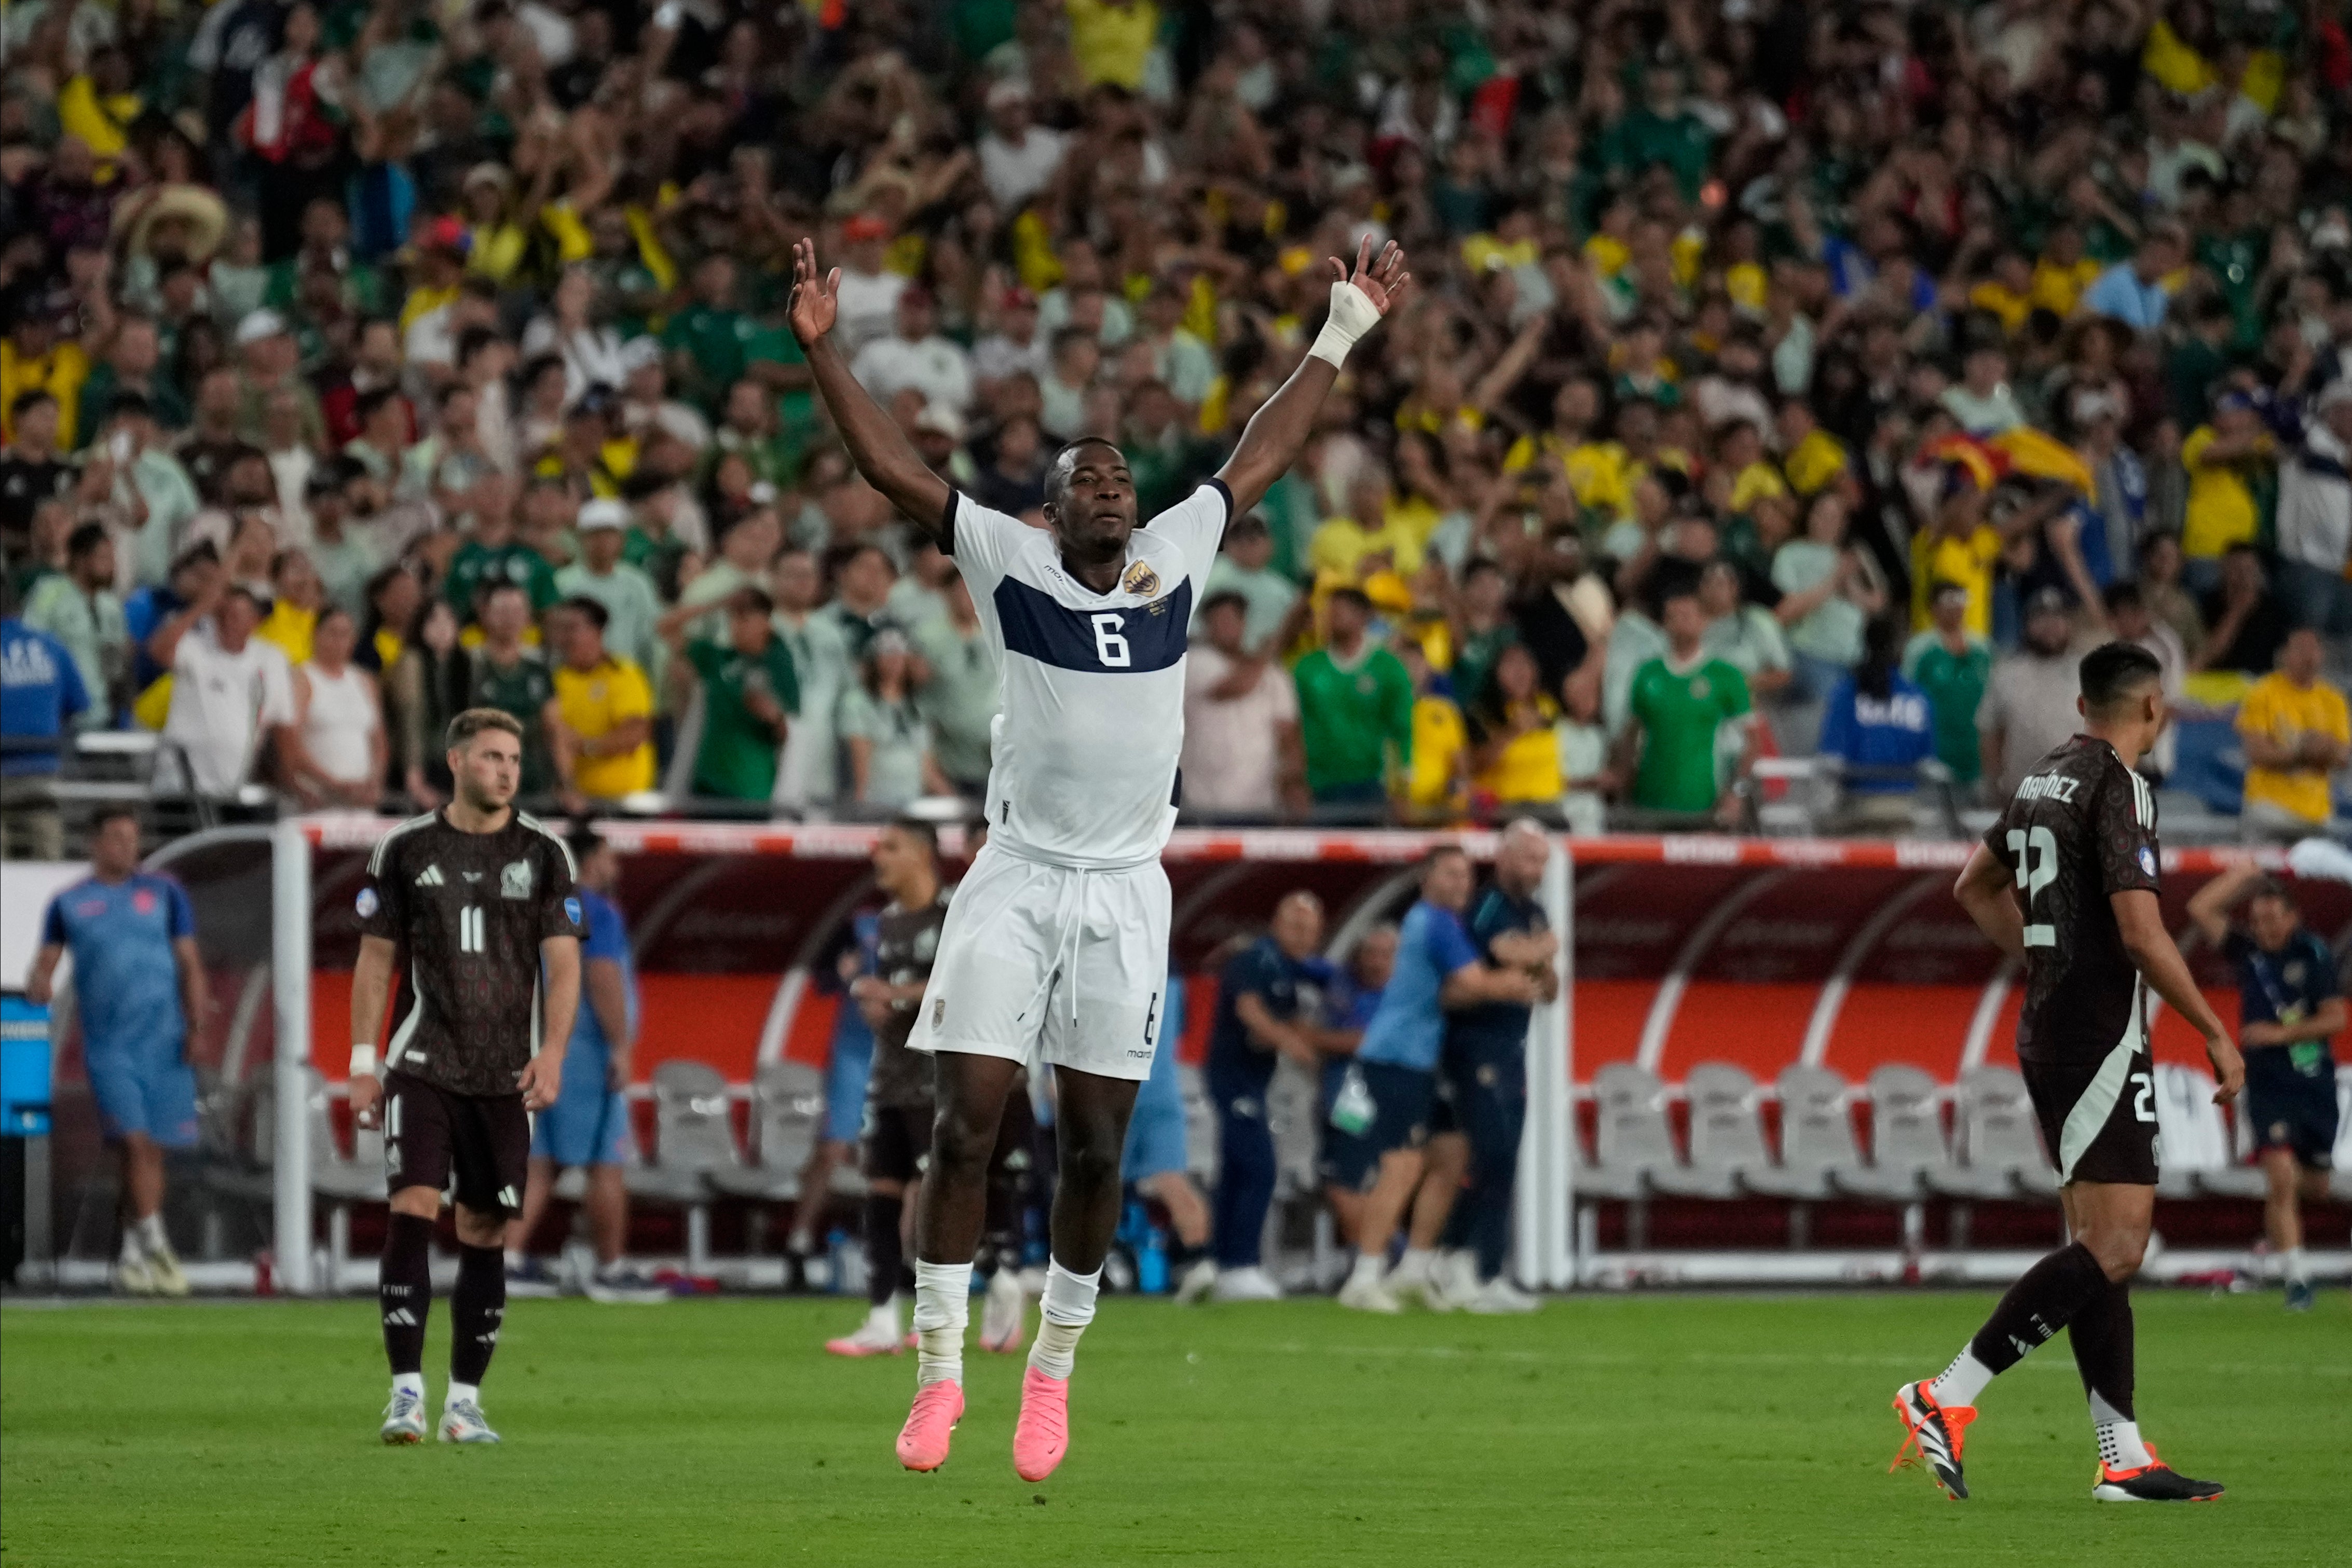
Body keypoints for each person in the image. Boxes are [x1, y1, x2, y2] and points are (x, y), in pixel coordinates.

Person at [788, 230, 1408, 1479]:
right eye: (1089, 478)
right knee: (964, 1122)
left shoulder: (1175, 556)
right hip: (1016, 875)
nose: (1112, 489)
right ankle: (940, 1370)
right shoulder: (1007, 560)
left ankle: (1052, 1373)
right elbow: (891, 466)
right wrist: (823, 349)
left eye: (1122, 476)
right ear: (1052, 504)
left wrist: (1342, 329)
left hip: (1126, 891)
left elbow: (1262, 453)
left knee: (1093, 1146)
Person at [1899, 643, 2241, 1505]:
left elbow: (1973, 887)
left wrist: (2043, 955)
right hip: (2099, 1035)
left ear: (2082, 704)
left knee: (2099, 1245)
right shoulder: (2120, 786)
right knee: (2118, 1243)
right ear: (2153, 708)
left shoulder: (2042, 777)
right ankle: (1945, 1393)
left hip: (2051, 1025)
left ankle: (2121, 1455)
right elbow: (2141, 933)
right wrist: (2213, 1030)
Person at [347, 708, 585, 1445]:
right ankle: (405, 1394)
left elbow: (564, 963)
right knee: (413, 1206)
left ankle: (465, 1402)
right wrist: (361, 1062)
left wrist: (553, 1052)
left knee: (484, 1228)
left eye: (514, 758)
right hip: (422, 1061)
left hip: (505, 1073)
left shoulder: (545, 851)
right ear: (455, 761)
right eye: (491, 757)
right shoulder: (404, 847)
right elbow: (376, 961)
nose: (507, 770)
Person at [1334, 846, 1538, 1314]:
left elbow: (1462, 988)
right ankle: (1363, 1278)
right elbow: (1474, 982)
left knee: (1452, 1155)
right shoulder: (1436, 922)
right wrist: (1521, 979)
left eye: (1465, 875)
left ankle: (1414, 1270)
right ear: (1426, 880)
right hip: (1394, 1060)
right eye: (1449, 874)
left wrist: (1514, 972)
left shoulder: (1444, 923)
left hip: (1422, 1061)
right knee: (1402, 1166)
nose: (1460, 883)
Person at [25, 807, 209, 1295]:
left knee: (151, 1152)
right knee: (134, 1143)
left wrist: (196, 1026)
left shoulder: (165, 893)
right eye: (117, 839)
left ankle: (131, 1254)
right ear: (96, 843)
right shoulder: (69, 903)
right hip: (109, 1046)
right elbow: (45, 962)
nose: (128, 848)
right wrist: (39, 982)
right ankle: (158, 1247)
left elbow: (189, 963)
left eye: (133, 838)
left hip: (165, 1041)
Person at [504, 828, 664, 1306]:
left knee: (542, 1162)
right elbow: (603, 977)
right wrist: (620, 1047)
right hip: (586, 1052)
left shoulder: (541, 906)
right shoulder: (597, 911)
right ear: (590, 860)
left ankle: (504, 1262)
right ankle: (610, 1269)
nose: (616, 869)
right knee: (606, 1161)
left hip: (544, 1046)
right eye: (610, 858)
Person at [2185, 864, 2344, 1312]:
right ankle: (2297, 1279)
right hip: (2268, 1085)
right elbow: (2201, 908)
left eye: (2272, 918)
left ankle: (2275, 1235)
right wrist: (2244, 876)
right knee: (2280, 1174)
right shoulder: (2249, 952)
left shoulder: (2314, 953)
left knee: (2315, 1185)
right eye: (2257, 920)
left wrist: (2279, 1034)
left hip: (2313, 1083)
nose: (2264, 928)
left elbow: (2335, 1018)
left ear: (2292, 917)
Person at [828, 821, 955, 1357]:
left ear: (922, 855)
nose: (877, 855)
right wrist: (874, 1002)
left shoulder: (955, 913)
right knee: (881, 1194)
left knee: (936, 1201)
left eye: (891, 846)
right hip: (892, 1079)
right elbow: (888, 994)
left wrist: (895, 995)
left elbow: (962, 983)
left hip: (943, 1082)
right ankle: (881, 1318)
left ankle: (942, 1313)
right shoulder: (885, 923)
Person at [1431, 822, 1556, 1313]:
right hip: (1474, 1045)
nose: (1536, 870)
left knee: (1504, 1160)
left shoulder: (1535, 912)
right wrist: (1539, 952)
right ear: (1503, 857)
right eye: (1528, 858)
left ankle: (1484, 1268)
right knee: (1488, 1153)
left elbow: (1549, 986)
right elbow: (1510, 953)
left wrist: (1537, 960)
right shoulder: (1487, 905)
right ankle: (1458, 1259)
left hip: (1512, 1048)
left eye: (1542, 861)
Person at [1199, 892, 1330, 1302]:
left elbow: (1291, 1019)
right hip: (1234, 1078)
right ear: (1277, 923)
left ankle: (1220, 1264)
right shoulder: (1257, 960)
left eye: (1310, 930)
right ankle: (1241, 1264)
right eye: (1295, 925)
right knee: (1259, 1167)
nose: (1302, 935)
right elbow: (1250, 1010)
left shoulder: (1291, 970)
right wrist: (1292, 1045)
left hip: (1255, 1081)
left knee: (1236, 1170)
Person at [1609, 585, 1754, 826]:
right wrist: (1624, 778)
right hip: (1649, 798)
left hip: (1703, 799)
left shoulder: (1725, 676)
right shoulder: (1648, 673)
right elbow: (1632, 732)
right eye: (1673, 616)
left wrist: (1736, 792)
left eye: (1688, 615)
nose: (1680, 622)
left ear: (1704, 621)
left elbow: (1752, 742)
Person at [1120, 970, 1215, 1304]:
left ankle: (1087, 1266)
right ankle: (1199, 1260)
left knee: (1096, 1182)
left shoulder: (1121, 973)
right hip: (1164, 1089)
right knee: (1173, 1180)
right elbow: (1181, 1032)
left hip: (1123, 1087)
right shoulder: (1174, 982)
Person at [159, 585, 297, 797]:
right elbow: (158, 650)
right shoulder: (195, 648)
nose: (228, 622)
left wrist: (290, 780)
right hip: (180, 783)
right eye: (223, 614)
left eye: (237, 615)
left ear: (255, 620)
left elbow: (282, 725)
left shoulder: (271, 659)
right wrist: (202, 607)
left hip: (234, 787)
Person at [1181, 589, 1305, 815]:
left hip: (1262, 800)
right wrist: (1273, 646)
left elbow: (1288, 733)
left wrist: (1294, 782)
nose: (1225, 627)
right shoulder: (1195, 662)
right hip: (1202, 800)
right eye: (1218, 621)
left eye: (1231, 620)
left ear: (1243, 623)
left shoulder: (1274, 673)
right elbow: (1234, 687)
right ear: (1207, 626)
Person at [670, 586, 799, 803]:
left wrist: (774, 717)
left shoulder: (780, 667)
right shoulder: (718, 659)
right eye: (733, 619)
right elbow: (666, 627)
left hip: (751, 785)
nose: (737, 627)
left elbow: (793, 732)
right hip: (708, 780)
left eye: (745, 620)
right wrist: (714, 605)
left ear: (765, 623)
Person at [1292, 586, 1414, 809]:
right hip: (1319, 784)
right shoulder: (1308, 669)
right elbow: (1295, 728)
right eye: (1329, 613)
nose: (1332, 619)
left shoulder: (1388, 668)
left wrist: (1402, 788)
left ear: (1363, 617)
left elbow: (1401, 729)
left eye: (1339, 612)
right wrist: (1296, 781)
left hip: (1372, 783)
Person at [2234, 629, 2349, 843]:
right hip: (2270, 808)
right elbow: (2256, 752)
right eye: (2301, 649)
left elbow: (2343, 756)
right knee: (2262, 864)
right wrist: (2305, 752)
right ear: (2284, 654)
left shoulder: (2333, 700)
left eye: (2314, 650)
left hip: (2316, 813)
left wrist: (2319, 750)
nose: (2309, 657)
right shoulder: (2264, 692)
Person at [2, 579, 90, 857]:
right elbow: (79, 703)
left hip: (17, 773)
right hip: (42, 774)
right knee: (47, 857)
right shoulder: (50, 645)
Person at [546, 598, 655, 811]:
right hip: (574, 803)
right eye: (561, 629)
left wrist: (587, 746)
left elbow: (635, 733)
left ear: (598, 631)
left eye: (572, 628)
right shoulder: (553, 678)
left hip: (625, 801)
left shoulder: (623, 674)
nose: (565, 637)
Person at [1976, 587, 2083, 803]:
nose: (2050, 626)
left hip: (2078, 798)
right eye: (2041, 618)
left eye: (2057, 618)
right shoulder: (2006, 673)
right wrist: (1995, 785)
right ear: (2027, 625)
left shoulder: (2088, 674)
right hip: (2021, 798)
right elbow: (1990, 734)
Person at [284, 604, 386, 808]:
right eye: (332, 633)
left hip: (360, 798)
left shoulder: (364, 681)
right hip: (318, 796)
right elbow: (291, 742)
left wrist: (374, 782)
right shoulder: (302, 678)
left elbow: (379, 741)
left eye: (345, 634)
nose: (339, 641)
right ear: (316, 635)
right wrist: (332, 784)